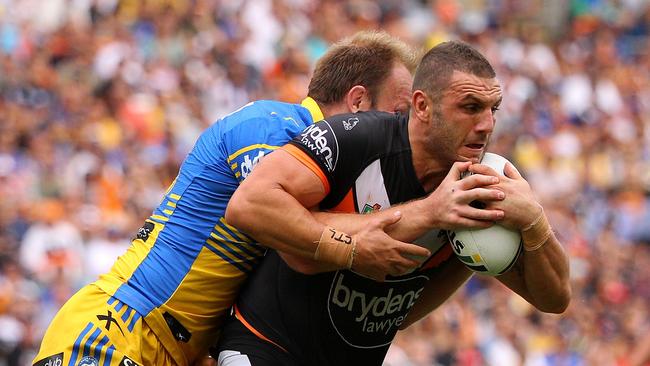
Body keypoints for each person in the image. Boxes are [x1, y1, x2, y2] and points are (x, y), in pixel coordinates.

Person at [32, 31, 438, 366]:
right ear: (358, 101)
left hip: (174, 350)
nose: (403, 133)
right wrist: (428, 212)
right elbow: (275, 212)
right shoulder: (273, 124)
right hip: (118, 328)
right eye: (398, 115)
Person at [214, 40, 572, 366]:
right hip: (265, 349)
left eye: (494, 108)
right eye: (471, 107)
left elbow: (554, 298)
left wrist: (534, 221)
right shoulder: (356, 137)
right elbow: (250, 204)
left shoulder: (479, 184)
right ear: (422, 106)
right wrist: (415, 220)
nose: (487, 124)